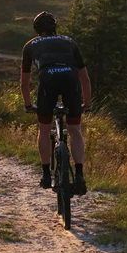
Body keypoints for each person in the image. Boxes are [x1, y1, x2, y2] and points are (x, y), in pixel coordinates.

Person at [21, 11, 92, 195]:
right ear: (55, 27)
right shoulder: (69, 42)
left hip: (48, 83)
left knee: (44, 130)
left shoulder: (29, 46)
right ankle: (79, 175)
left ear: (36, 29)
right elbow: (84, 78)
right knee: (75, 130)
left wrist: (28, 105)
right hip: (71, 81)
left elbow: (25, 82)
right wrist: (88, 104)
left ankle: (46, 174)